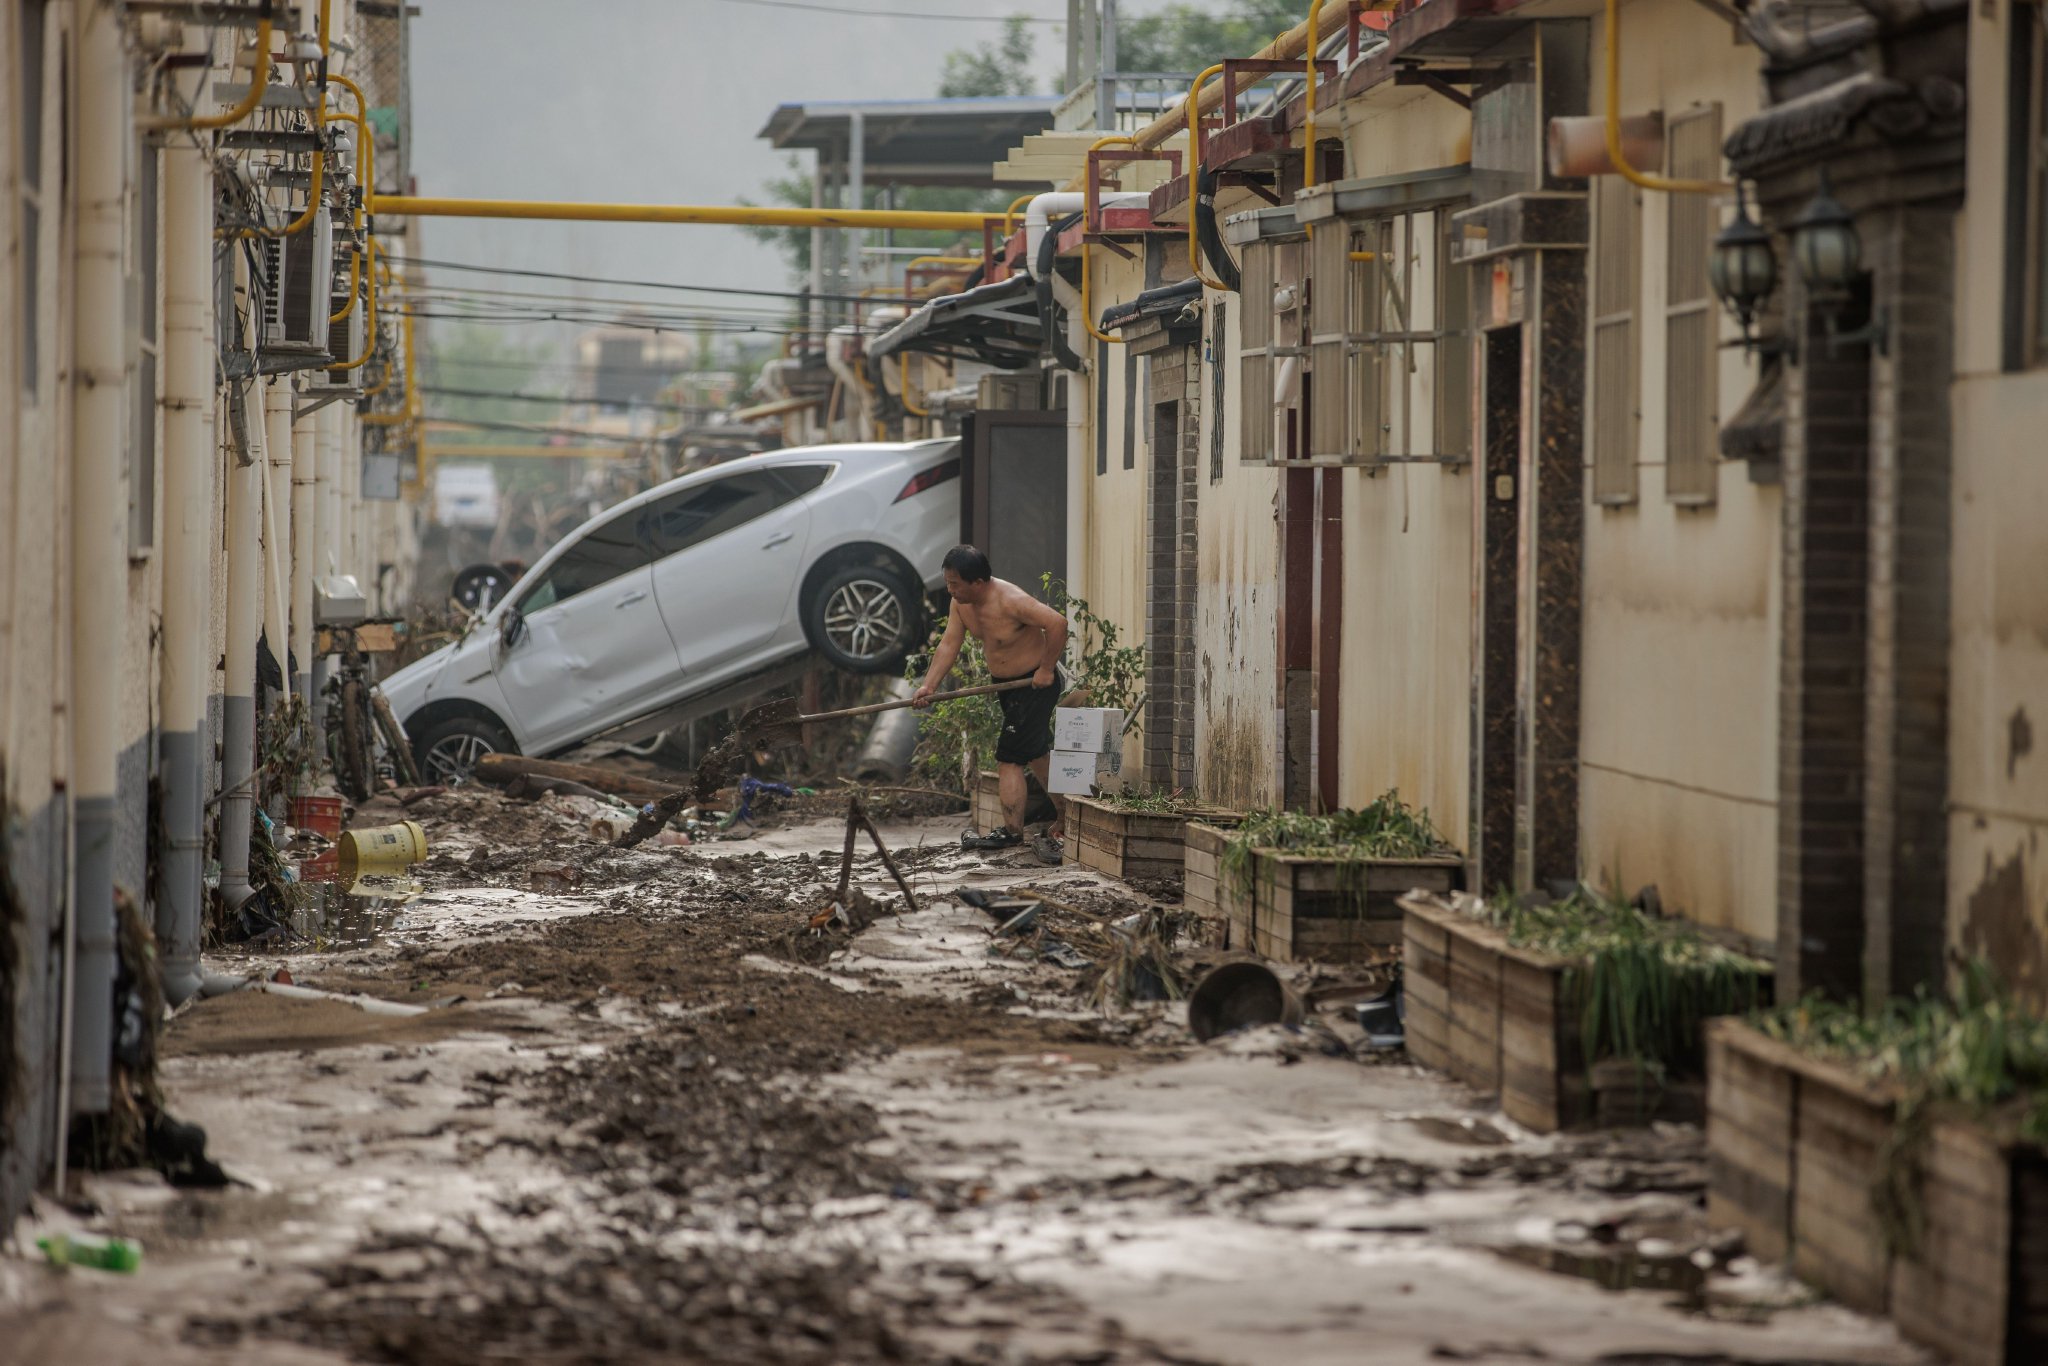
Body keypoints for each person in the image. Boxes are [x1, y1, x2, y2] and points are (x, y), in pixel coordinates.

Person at [912, 545, 1070, 858]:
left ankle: (1011, 832)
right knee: (1036, 752)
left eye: (955, 584)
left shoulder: (1011, 600)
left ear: (978, 583)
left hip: (1034, 685)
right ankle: (1069, 815)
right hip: (1007, 686)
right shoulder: (961, 605)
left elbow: (1057, 623)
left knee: (1009, 756)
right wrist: (928, 685)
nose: (950, 590)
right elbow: (949, 644)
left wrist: (1046, 669)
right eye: (948, 583)